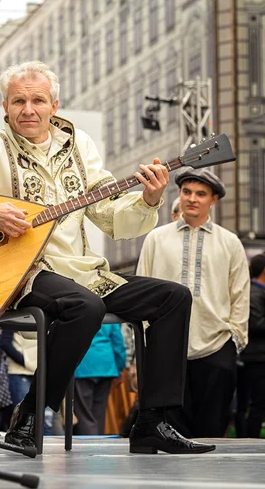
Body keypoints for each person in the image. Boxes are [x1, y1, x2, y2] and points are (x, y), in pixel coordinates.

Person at [0, 60, 215, 455]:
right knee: (85, 307)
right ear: (4, 107)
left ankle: (152, 421)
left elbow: (111, 218)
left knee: (173, 298)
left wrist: (149, 198)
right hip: (22, 276)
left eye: (38, 100)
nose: (28, 109)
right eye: (18, 101)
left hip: (83, 273)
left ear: (54, 105)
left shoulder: (81, 147)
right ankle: (30, 412)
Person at [137, 167, 250, 438]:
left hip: (216, 344)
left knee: (213, 429)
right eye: (187, 192)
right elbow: (142, 289)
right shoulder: (156, 238)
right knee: (170, 432)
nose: (192, 198)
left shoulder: (230, 242)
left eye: (201, 194)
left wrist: (234, 339)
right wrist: (142, 342)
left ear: (213, 200)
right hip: (165, 348)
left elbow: (240, 294)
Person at [74, 323, 126, 435]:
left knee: (84, 413)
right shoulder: (108, 314)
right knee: (99, 411)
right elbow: (118, 343)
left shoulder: (79, 309)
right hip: (106, 365)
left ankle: (88, 444)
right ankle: (98, 442)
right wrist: (120, 367)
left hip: (83, 363)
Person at [240, 254, 265, 437]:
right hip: (256, 358)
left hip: (255, 357)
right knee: (256, 403)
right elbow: (255, 323)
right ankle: (250, 439)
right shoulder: (254, 293)